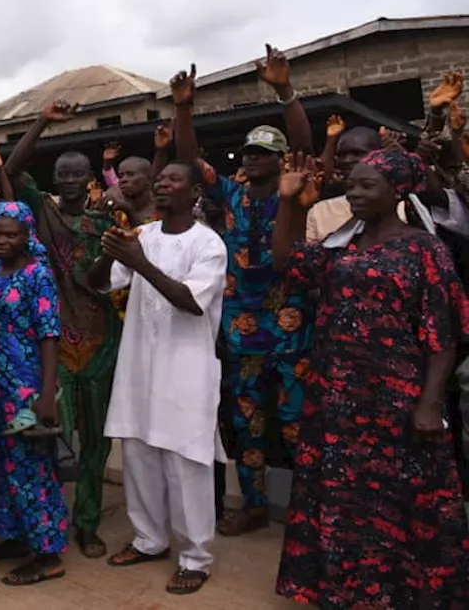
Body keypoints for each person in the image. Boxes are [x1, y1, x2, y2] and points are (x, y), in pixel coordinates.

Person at [272, 149, 469, 608]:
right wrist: (289, 203)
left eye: (367, 185)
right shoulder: (345, 244)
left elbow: (443, 334)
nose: (355, 193)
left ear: (397, 190)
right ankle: (347, 590)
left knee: (397, 499)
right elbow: (288, 263)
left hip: (396, 399)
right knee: (345, 498)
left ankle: (402, 593)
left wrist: (429, 403)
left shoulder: (424, 248)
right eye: (351, 184)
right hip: (337, 399)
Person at [172, 50, 315, 536]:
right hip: (240, 327)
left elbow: (303, 142)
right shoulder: (230, 193)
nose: (252, 158)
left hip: (291, 324)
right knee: (248, 423)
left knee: (298, 424)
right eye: (249, 152)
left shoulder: (292, 189)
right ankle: (254, 507)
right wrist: (184, 110)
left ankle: (312, 511)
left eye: (262, 153)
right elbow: (191, 158)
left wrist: (284, 91)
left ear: (280, 161)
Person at [89, 161, 228, 596]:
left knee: (186, 463)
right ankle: (149, 540)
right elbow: (98, 284)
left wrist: (139, 262)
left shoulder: (208, 243)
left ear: (194, 193)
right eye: (160, 180)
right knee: (139, 454)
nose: (163, 185)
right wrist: (108, 252)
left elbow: (190, 302)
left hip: (185, 368)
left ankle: (195, 557)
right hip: (139, 366)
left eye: (174, 180)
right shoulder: (143, 236)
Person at [0, 201, 69, 588]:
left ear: (27, 234)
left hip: (25, 388)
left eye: (10, 234)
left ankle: (49, 553)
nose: (2, 240)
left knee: (30, 468)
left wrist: (45, 395)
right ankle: (19, 537)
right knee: (0, 465)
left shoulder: (36, 275)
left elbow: (49, 336)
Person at [37, 152, 123, 559]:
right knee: (48, 438)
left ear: (90, 179)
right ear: (54, 179)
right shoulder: (43, 215)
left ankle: (87, 522)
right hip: (53, 343)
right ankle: (44, 524)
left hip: (100, 342)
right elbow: (12, 169)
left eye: (77, 174)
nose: (69, 180)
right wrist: (41, 122)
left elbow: (105, 280)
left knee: (95, 441)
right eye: (62, 174)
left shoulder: (106, 225)